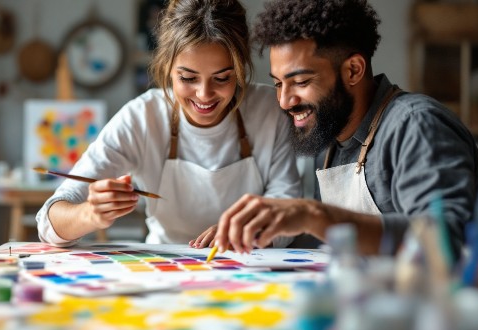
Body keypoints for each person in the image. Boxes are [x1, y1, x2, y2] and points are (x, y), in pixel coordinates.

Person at [214, 0, 478, 281]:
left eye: (301, 82)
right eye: (279, 84)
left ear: (353, 70)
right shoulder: (330, 140)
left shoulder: (416, 125)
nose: (284, 101)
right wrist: (264, 231)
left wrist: (312, 214)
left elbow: (447, 242)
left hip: (464, 319)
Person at [36, 0, 302, 248]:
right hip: (165, 270)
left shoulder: (268, 109)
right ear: (167, 68)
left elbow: (289, 209)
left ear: (241, 68)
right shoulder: (142, 118)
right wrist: (90, 214)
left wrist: (246, 233)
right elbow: (48, 222)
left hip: (248, 266)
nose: (204, 95)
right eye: (188, 78)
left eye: (222, 79)